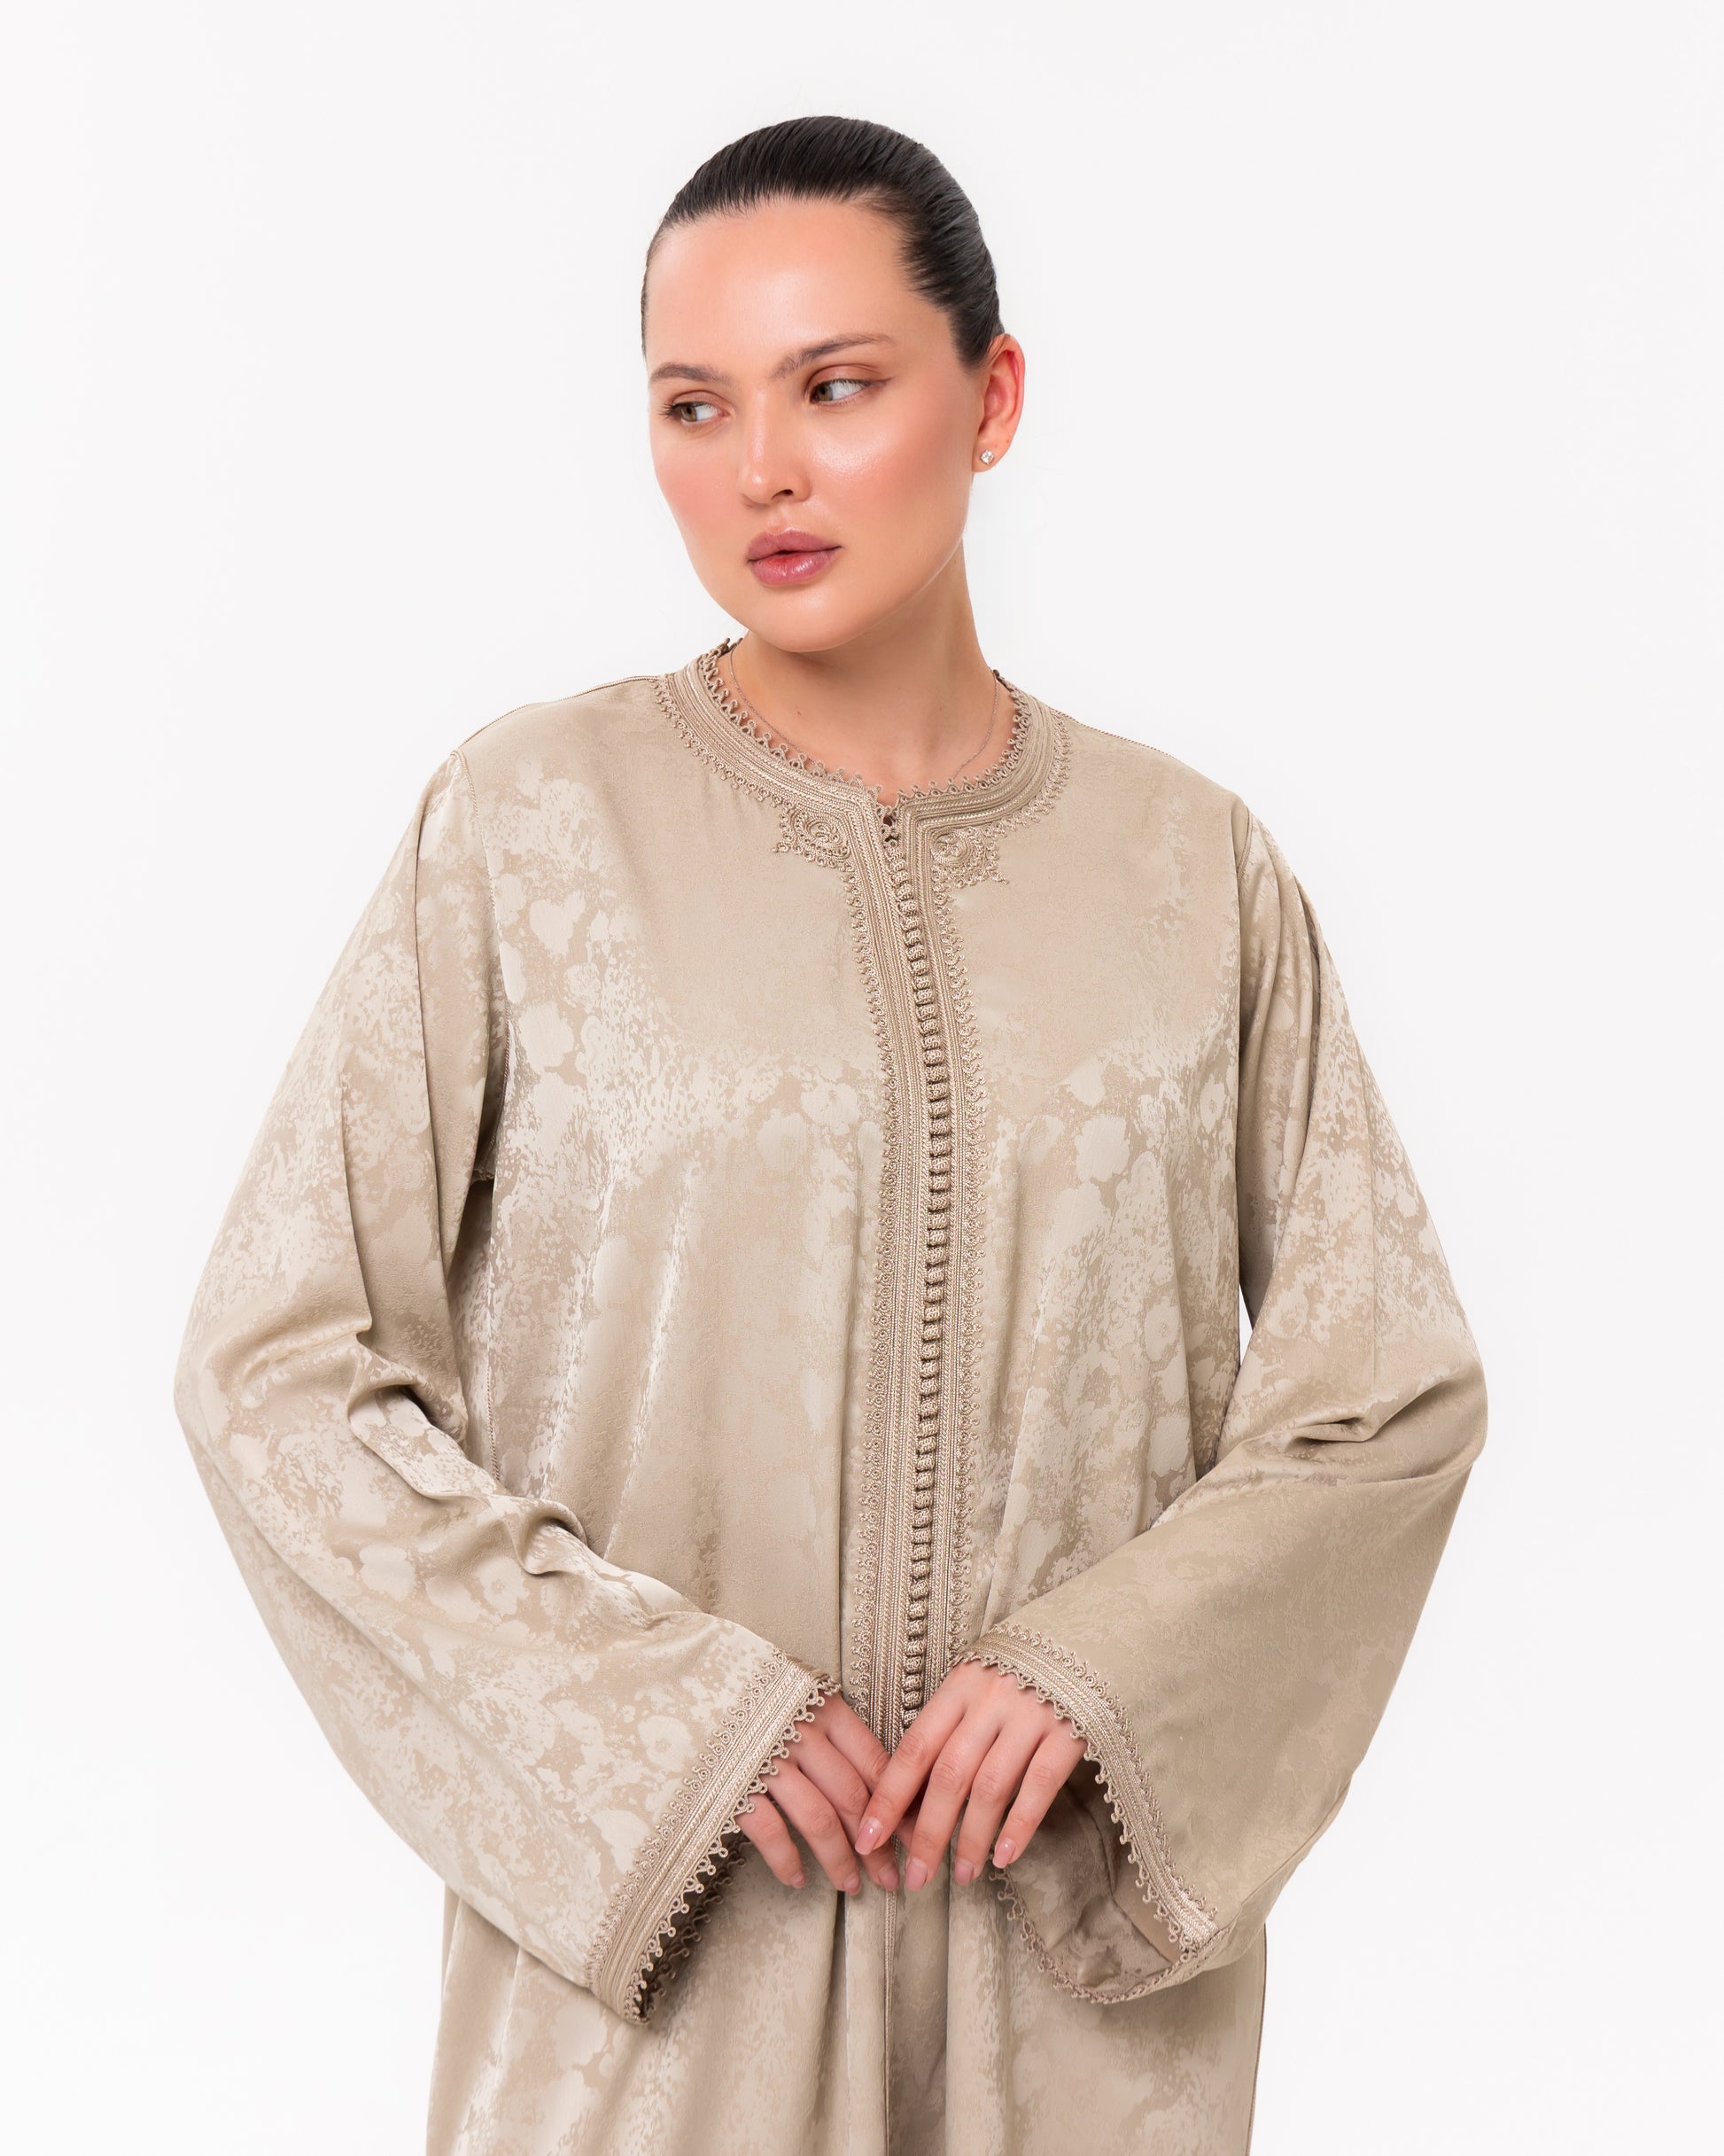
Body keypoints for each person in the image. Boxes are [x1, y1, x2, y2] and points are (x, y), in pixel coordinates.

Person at [175, 113, 1487, 2156]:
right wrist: (662, 1720)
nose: (760, 469)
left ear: (992, 397)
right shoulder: (530, 830)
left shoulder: (1186, 872)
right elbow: (277, 1370)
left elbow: (1382, 1391)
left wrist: (1104, 1677)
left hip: (1069, 2019)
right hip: (662, 2011)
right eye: (693, 405)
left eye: (835, 387)